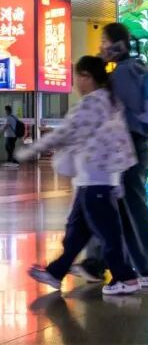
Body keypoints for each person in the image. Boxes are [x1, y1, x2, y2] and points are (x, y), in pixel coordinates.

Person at [22, 56, 141, 296]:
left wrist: (30, 150)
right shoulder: (110, 102)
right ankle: (56, 272)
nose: (75, 82)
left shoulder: (91, 104)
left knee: (108, 233)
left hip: (95, 182)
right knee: (76, 232)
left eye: (76, 76)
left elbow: (63, 133)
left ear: (86, 76)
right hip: (94, 181)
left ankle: (126, 278)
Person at [77, 23, 148, 287]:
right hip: (134, 146)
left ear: (116, 44)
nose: (101, 46)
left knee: (132, 209)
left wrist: (105, 83)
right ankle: (99, 263)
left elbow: (127, 107)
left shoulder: (123, 72)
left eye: (104, 41)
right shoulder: (131, 69)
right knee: (118, 208)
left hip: (130, 147)